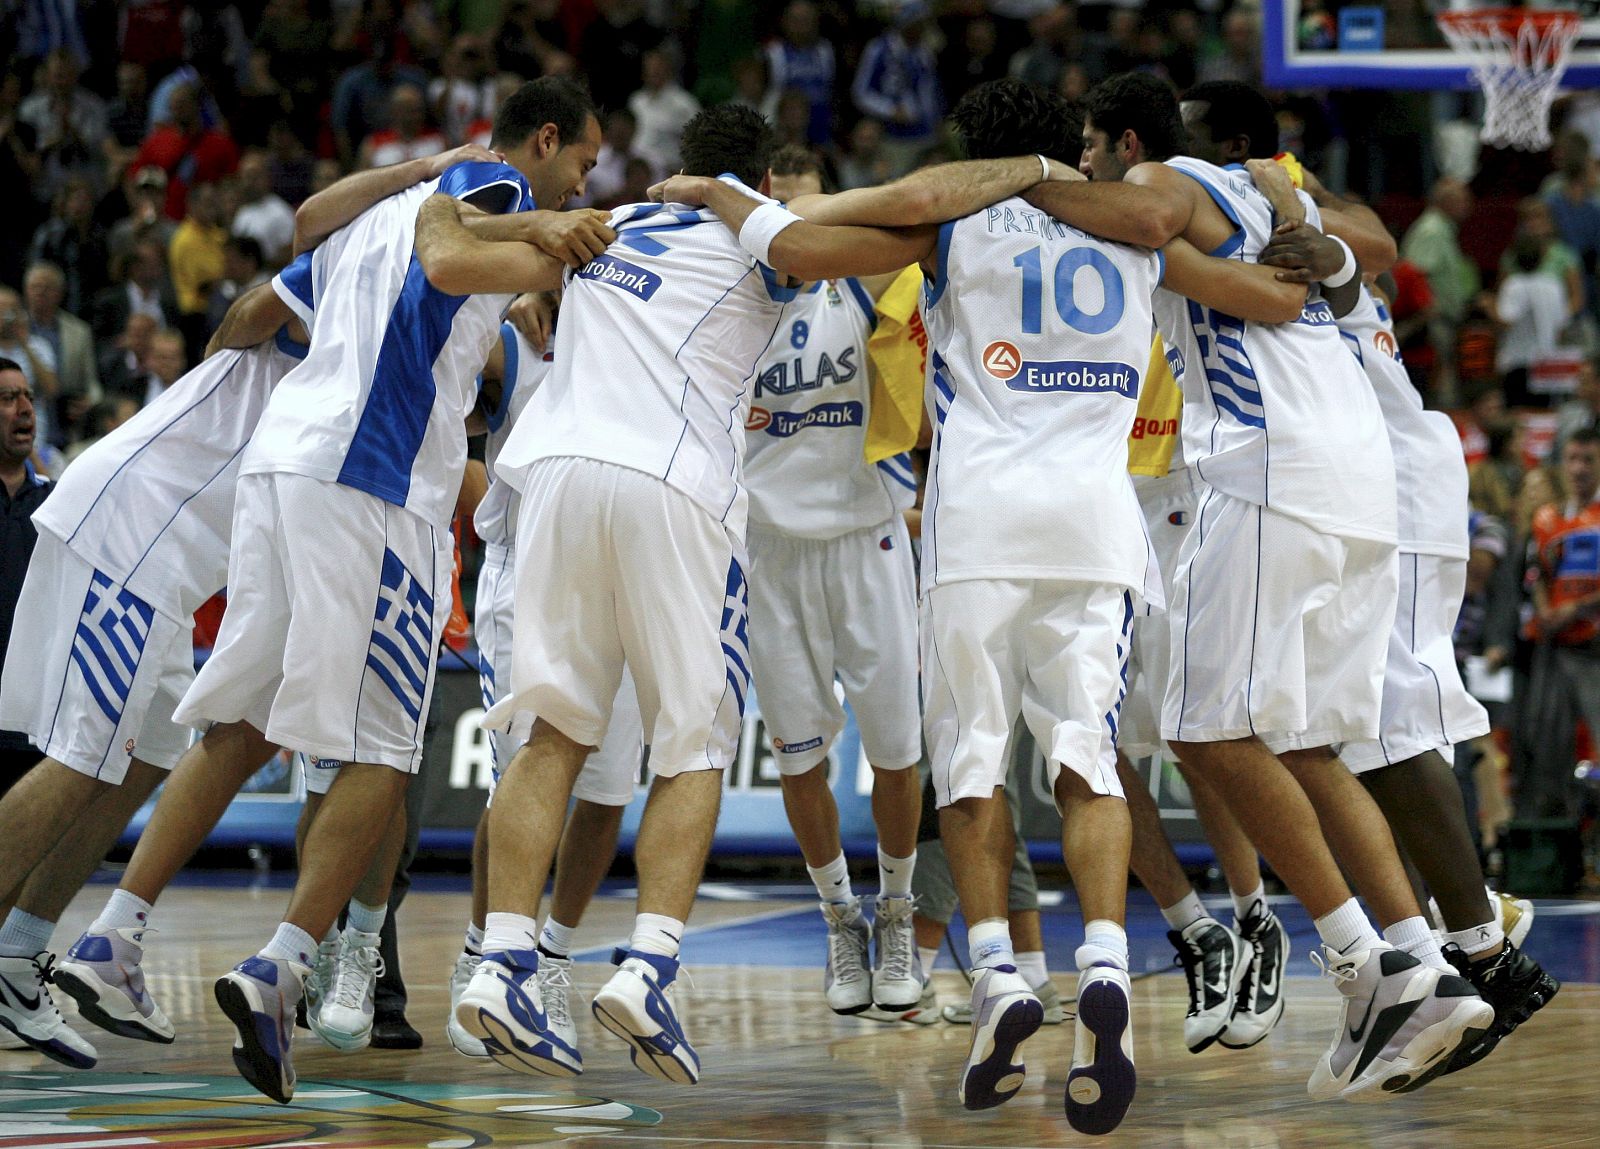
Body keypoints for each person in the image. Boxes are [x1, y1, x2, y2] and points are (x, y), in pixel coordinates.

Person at [460, 98, 1096, 1087]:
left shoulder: (603, 225)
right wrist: (1044, 169)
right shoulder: (767, 237)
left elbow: (447, 250)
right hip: (670, 483)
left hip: (550, 480)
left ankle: (500, 959)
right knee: (696, 743)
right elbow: (921, 213)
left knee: (551, 735)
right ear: (761, 177)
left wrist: (523, 222)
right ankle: (648, 964)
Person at [57, 79, 607, 1104]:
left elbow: (267, 289)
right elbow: (454, 255)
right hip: (375, 480)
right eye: (581, 162)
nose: (586, 183)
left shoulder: (378, 209)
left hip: (284, 460)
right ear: (542, 142)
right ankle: (282, 964)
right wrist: (548, 234)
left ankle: (111, 934)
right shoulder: (488, 183)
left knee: (245, 719)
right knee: (384, 753)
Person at [1078, 71, 1492, 1101]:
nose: (1087, 168)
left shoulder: (1177, 177)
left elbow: (1139, 210)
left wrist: (1037, 187)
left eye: (1090, 148)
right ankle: (1419, 961)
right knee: (1304, 741)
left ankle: (1365, 969)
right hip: (1359, 482)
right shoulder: (1274, 192)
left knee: (1204, 728)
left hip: (1269, 469)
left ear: (1128, 142)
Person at [740, 145, 924, 1018]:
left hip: (868, 535)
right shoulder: (735, 292)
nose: (797, 234)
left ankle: (896, 907)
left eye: (814, 216)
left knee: (897, 749)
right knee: (800, 757)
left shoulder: (872, 277)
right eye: (782, 217)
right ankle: (839, 917)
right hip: (769, 548)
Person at [446, 303, 646, 1063]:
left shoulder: (644, 337)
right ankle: (489, 956)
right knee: (522, 780)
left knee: (606, 791)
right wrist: (499, 504)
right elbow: (437, 424)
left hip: (620, 577)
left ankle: (554, 957)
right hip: (526, 582)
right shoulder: (513, 339)